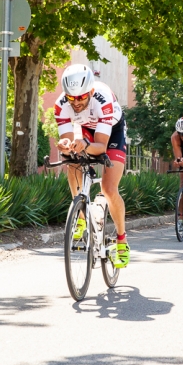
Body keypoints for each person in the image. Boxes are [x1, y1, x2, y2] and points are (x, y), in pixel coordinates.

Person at [53, 64, 130, 268]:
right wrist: (66, 145)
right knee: (72, 163)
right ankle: (80, 216)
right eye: (72, 98)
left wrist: (85, 145)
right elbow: (67, 140)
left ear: (92, 91)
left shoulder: (103, 100)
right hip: (87, 128)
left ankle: (122, 241)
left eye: (81, 97)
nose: (76, 103)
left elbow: (101, 146)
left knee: (108, 188)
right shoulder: (61, 104)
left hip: (112, 132)